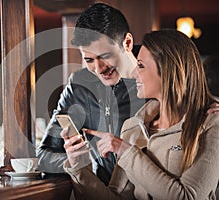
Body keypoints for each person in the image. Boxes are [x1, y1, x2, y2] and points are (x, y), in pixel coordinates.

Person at [62, 29, 219, 199]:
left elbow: (188, 197)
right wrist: (78, 166)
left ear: (168, 70)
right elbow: (117, 197)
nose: (134, 73)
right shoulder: (132, 127)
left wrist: (126, 151)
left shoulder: (210, 123)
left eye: (141, 65)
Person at [37, 3, 146, 185]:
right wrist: (82, 161)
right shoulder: (79, 86)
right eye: (89, 60)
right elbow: (44, 156)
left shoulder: (156, 72)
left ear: (127, 43)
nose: (98, 68)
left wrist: (208, 104)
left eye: (104, 56)